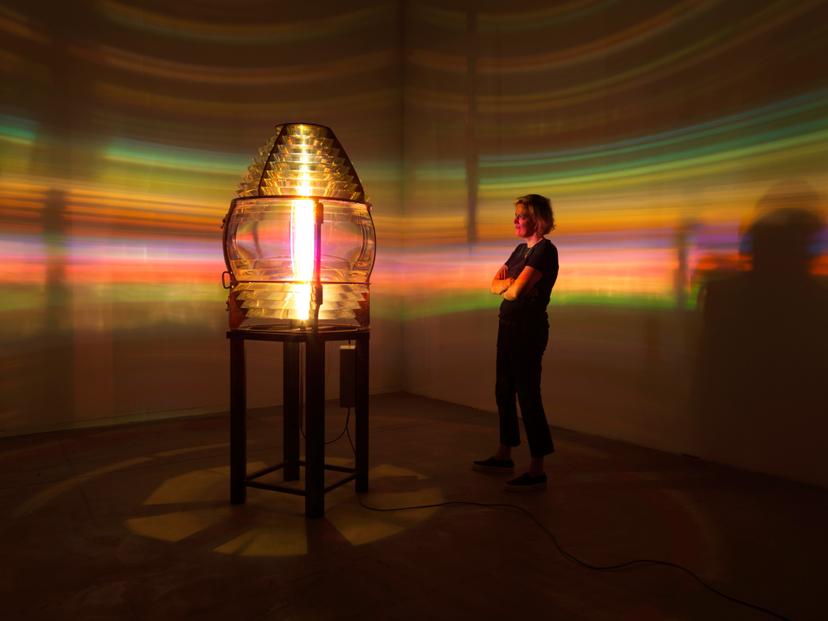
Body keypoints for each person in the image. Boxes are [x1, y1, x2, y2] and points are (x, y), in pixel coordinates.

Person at [473, 194, 559, 491]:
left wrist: (510, 285)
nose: (515, 220)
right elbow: (494, 285)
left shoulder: (545, 252)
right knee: (503, 390)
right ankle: (504, 454)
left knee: (528, 396)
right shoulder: (521, 250)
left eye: (520, 216)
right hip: (507, 327)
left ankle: (537, 469)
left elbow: (514, 293)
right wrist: (509, 285)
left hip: (528, 330)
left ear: (537, 220)